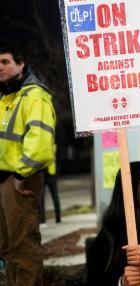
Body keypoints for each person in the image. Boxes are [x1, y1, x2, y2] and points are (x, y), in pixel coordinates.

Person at [0, 40, 56, 285]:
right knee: (7, 248)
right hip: (5, 180)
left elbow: (40, 143)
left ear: (21, 64)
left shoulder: (35, 96)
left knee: (23, 248)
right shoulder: (6, 97)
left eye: (5, 62)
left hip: (20, 180)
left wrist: (21, 175)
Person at [40, 157, 62, 225]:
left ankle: (42, 220)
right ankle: (58, 218)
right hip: (52, 173)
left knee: (42, 198)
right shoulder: (54, 146)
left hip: (43, 173)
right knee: (55, 197)